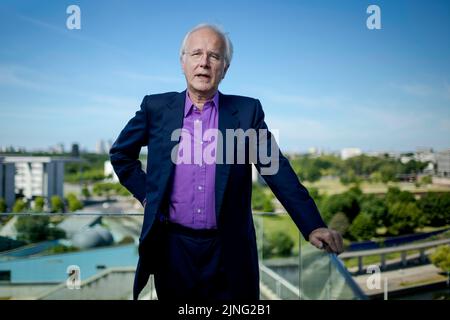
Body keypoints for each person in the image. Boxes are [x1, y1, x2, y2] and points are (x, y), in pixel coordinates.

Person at [109, 23, 343, 301]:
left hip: (229, 250)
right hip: (173, 249)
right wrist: (148, 194)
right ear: (183, 62)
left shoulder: (246, 112)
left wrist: (312, 224)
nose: (204, 63)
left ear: (225, 68)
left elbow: (276, 169)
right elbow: (121, 155)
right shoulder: (155, 108)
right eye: (196, 54)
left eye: (214, 56)